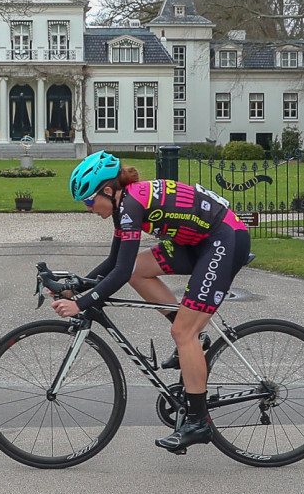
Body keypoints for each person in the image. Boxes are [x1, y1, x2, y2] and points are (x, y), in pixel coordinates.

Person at [53, 151, 251, 452]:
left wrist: (81, 303)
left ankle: (198, 422)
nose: (89, 208)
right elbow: (116, 262)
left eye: (90, 201)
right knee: (138, 273)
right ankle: (196, 335)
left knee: (183, 333)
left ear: (108, 190)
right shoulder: (126, 205)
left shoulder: (131, 205)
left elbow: (117, 271)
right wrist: (75, 286)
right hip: (199, 241)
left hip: (224, 239)